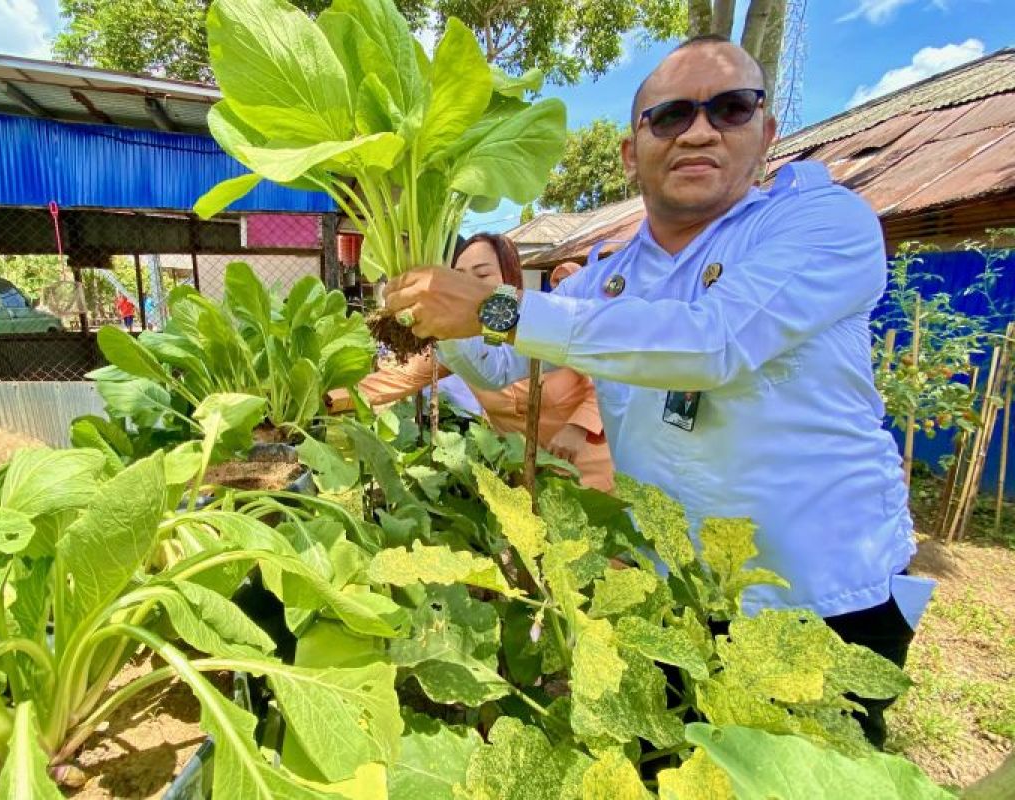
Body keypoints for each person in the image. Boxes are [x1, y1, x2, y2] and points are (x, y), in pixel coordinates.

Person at [384, 35, 916, 747]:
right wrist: (432, 314)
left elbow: (710, 341)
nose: (699, 130)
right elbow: (500, 368)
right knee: (670, 774)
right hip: (673, 601)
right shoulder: (610, 274)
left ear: (766, 132)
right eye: (669, 116)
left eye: (730, 108)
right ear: (632, 151)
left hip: (818, 609)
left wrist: (491, 308)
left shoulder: (821, 223)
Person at [332, 234, 614, 492]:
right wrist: (327, 397)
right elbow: (397, 378)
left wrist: (579, 427)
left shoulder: (544, 319)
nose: (464, 288)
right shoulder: (462, 346)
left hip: (585, 458)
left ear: (510, 279)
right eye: (458, 278)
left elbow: (610, 365)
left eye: (481, 275)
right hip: (525, 475)